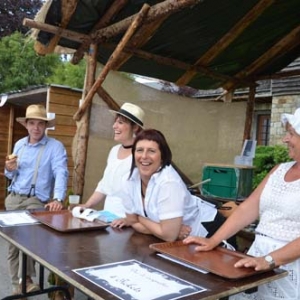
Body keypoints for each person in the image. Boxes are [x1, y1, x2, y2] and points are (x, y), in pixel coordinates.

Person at [183, 108, 300, 300]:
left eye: (291, 134)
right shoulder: (280, 169)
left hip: (290, 265)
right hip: (256, 258)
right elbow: (248, 208)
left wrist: (270, 260)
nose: (285, 139)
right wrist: (213, 240)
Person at [115, 128, 235, 246]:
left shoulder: (169, 183)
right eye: (139, 150)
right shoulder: (128, 180)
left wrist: (139, 218)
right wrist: (162, 229)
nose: (144, 156)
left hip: (208, 232)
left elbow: (168, 235)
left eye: (151, 151)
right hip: (179, 241)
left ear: (162, 157)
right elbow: (132, 222)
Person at [4, 104, 68, 295]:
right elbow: (11, 175)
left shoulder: (55, 147)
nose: (36, 128)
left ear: (45, 126)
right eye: (32, 123)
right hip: (13, 198)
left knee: (28, 239)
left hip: (35, 201)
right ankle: (18, 286)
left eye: (40, 124)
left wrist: (57, 198)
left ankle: (28, 279)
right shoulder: (19, 145)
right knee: (12, 244)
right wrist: (9, 168)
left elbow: (61, 172)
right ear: (26, 125)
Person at [81, 102, 145, 219]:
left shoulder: (141, 155)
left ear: (135, 127)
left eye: (120, 122)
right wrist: (87, 205)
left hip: (129, 220)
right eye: (115, 121)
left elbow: (145, 193)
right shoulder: (114, 151)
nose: (114, 126)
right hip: (107, 216)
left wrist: (131, 220)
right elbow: (104, 184)